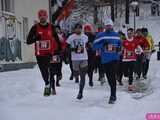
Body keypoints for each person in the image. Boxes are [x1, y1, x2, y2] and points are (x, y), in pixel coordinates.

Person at [26, 9, 61, 96]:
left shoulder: (51, 27)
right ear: (39, 17)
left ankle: (51, 87)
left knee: (50, 70)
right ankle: (47, 84)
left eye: (44, 16)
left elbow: (57, 39)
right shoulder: (35, 28)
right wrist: (36, 38)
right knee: (44, 71)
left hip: (50, 53)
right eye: (40, 16)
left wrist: (59, 49)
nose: (42, 18)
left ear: (46, 17)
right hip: (39, 53)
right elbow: (28, 41)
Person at [93, 19, 121, 104]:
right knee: (109, 78)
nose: (108, 27)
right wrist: (102, 45)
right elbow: (94, 46)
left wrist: (119, 50)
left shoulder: (116, 35)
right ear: (105, 26)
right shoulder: (100, 35)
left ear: (112, 26)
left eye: (110, 25)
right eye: (107, 25)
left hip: (114, 59)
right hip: (105, 60)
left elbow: (120, 45)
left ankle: (113, 95)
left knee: (112, 76)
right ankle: (113, 93)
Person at [66, 23, 88, 100]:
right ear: (74, 29)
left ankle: (80, 92)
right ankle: (75, 76)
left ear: (81, 29)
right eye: (77, 28)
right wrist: (73, 49)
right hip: (75, 59)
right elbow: (66, 48)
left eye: (79, 28)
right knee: (76, 72)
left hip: (84, 58)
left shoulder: (85, 37)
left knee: (83, 76)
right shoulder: (71, 37)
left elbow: (88, 45)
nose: (78, 29)